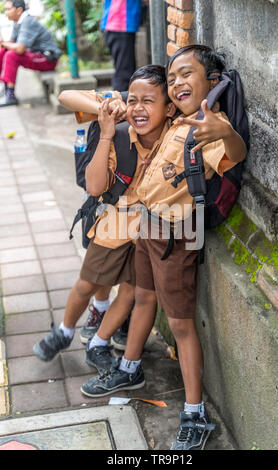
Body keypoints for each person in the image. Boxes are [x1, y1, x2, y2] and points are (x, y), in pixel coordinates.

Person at [80, 45, 247, 451]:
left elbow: (234, 158)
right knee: (141, 299)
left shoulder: (210, 123)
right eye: (172, 78)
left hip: (178, 233)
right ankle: (130, 367)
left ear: (212, 82)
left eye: (187, 74)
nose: (177, 83)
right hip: (148, 227)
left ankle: (195, 413)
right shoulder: (175, 121)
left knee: (181, 324)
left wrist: (226, 133)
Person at [33, 65, 176, 373]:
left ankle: (99, 341)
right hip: (114, 223)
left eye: (148, 101)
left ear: (169, 106)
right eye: (134, 99)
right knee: (88, 282)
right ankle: (65, 330)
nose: (139, 107)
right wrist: (109, 107)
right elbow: (66, 95)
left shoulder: (175, 122)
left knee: (130, 293)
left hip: (149, 230)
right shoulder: (126, 106)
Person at [0, 0, 61, 107]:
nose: (6, 12)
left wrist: (4, 44)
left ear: (19, 10)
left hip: (47, 58)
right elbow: (12, 43)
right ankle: (6, 88)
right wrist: (2, 43)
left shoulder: (28, 21)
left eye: (8, 9)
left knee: (11, 55)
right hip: (36, 55)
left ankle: (10, 96)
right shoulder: (17, 21)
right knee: (3, 51)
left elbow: (20, 49)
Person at [100, 0, 142, 91]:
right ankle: (119, 102)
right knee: (124, 73)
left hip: (118, 25)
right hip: (120, 24)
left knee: (125, 71)